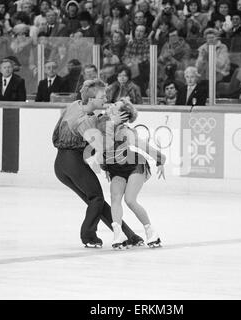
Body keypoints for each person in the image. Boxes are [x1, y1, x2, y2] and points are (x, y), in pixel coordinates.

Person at [52, 79, 144, 248]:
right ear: (92, 99)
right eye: (102, 96)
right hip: (73, 163)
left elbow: (58, 133)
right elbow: (103, 148)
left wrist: (105, 121)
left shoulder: (75, 105)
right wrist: (113, 124)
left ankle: (129, 235)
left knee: (96, 202)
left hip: (60, 164)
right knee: (97, 199)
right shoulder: (86, 120)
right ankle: (89, 236)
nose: (106, 98)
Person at [96, 98, 166, 249]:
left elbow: (141, 145)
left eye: (115, 106)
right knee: (115, 199)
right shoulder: (104, 124)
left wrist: (160, 159)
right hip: (115, 168)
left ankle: (151, 232)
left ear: (121, 115)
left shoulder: (125, 131)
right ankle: (118, 234)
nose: (111, 105)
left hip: (134, 165)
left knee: (130, 200)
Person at [0, 58, 27, 173]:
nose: (7, 69)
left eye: (9, 67)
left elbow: (21, 100)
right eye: (5, 67)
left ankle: (10, 166)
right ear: (0, 69)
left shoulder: (19, 81)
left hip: (12, 117)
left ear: (13, 69)